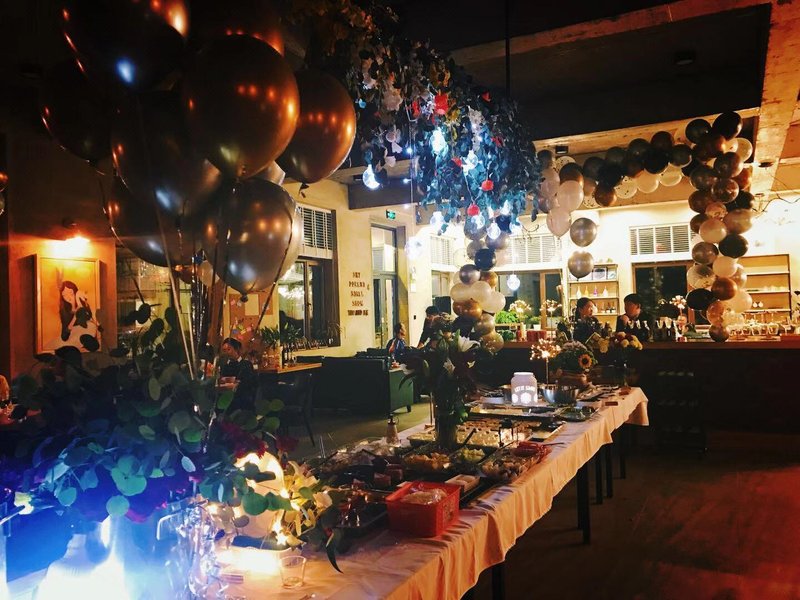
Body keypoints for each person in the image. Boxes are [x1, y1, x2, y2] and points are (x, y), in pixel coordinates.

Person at [219, 337, 257, 408]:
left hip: (242, 401)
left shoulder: (246, 364)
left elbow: (248, 385)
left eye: (229, 349)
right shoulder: (224, 365)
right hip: (226, 399)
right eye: (224, 350)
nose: (226, 352)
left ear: (236, 349)